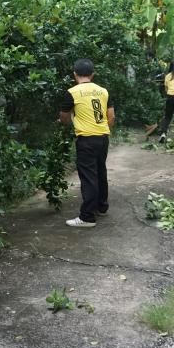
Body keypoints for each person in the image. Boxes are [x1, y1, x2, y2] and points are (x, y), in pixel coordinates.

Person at [58, 58, 115, 228]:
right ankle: (101, 206)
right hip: (103, 137)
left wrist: (68, 123)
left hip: (86, 140)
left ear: (75, 74)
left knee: (88, 177)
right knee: (100, 171)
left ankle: (87, 217)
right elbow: (111, 116)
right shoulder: (103, 91)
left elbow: (64, 116)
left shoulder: (72, 92)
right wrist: (102, 129)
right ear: (92, 74)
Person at [146, 60, 174, 142]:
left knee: (167, 117)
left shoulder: (167, 76)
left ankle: (163, 134)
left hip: (170, 98)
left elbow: (166, 90)